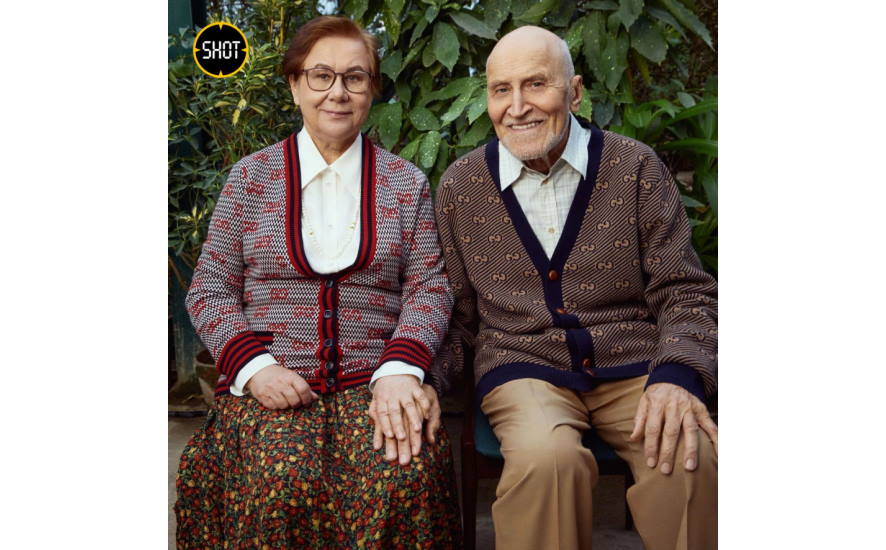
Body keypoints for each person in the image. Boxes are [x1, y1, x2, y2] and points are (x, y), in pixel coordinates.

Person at [175, 16, 460, 549]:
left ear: (372, 89)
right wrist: (255, 368)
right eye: (321, 75)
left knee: (405, 474)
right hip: (274, 384)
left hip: (374, 381)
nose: (338, 92)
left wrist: (401, 371)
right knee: (282, 480)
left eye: (355, 77)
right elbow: (210, 286)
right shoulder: (250, 179)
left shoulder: (406, 183)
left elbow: (429, 287)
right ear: (294, 85)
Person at [430, 25, 718, 550]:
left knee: (688, 454)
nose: (518, 107)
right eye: (501, 90)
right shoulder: (462, 186)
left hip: (635, 362)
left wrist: (679, 376)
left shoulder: (635, 168)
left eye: (536, 84)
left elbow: (685, 290)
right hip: (522, 365)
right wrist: (423, 380)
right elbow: (458, 317)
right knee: (547, 461)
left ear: (576, 91)